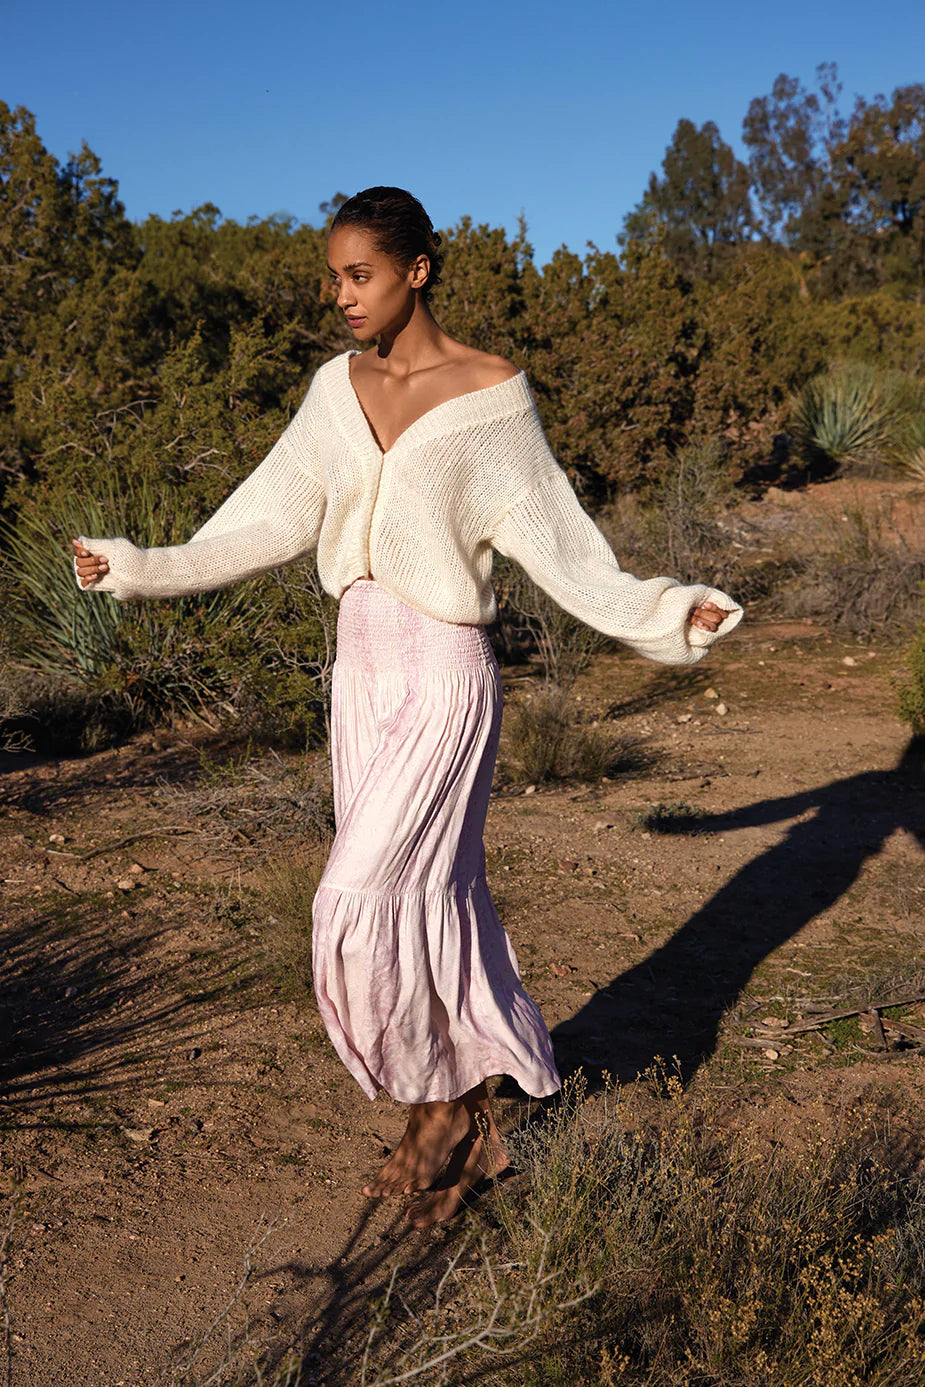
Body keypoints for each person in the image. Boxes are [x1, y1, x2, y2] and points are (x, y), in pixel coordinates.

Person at [72, 186, 742, 1228]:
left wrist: (663, 611)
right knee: (424, 896)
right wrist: (138, 564)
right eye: (333, 278)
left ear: (416, 270)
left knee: (355, 897)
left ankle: (442, 1112)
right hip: (360, 671)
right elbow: (263, 518)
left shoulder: (491, 397)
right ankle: (462, 1111)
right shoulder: (332, 392)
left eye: (359, 275)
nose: (340, 297)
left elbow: (562, 545)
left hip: (441, 672)